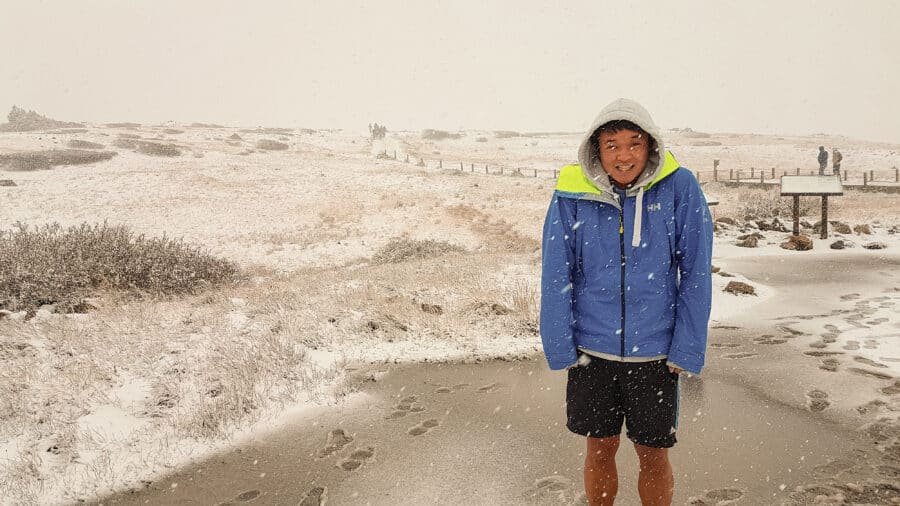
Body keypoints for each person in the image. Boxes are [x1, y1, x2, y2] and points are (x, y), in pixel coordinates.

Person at [540, 98, 713, 505]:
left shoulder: (680, 186)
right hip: (591, 354)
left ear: (650, 145)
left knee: (653, 455)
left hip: (654, 355)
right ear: (596, 150)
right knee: (599, 449)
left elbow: (697, 271)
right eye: (612, 144)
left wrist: (686, 347)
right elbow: (555, 273)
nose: (624, 156)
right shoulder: (571, 193)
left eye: (634, 143)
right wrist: (559, 343)